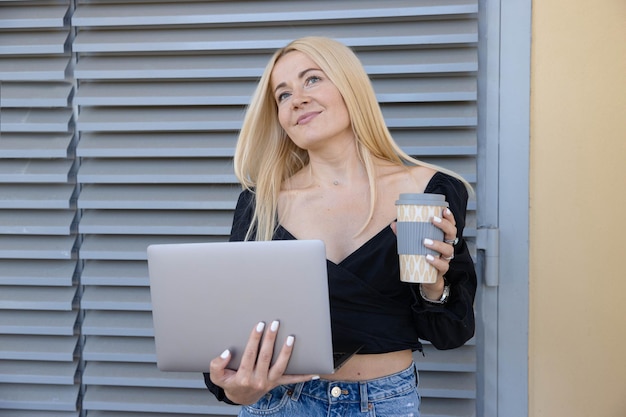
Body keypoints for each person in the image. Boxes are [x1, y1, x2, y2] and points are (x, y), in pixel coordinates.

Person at [203, 36, 476, 416]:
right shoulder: (262, 203)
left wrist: (433, 286)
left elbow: (449, 334)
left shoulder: (426, 191)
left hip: (384, 404)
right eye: (282, 95)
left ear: (350, 87)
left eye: (312, 79)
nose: (296, 99)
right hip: (282, 405)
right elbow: (231, 337)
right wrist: (236, 390)